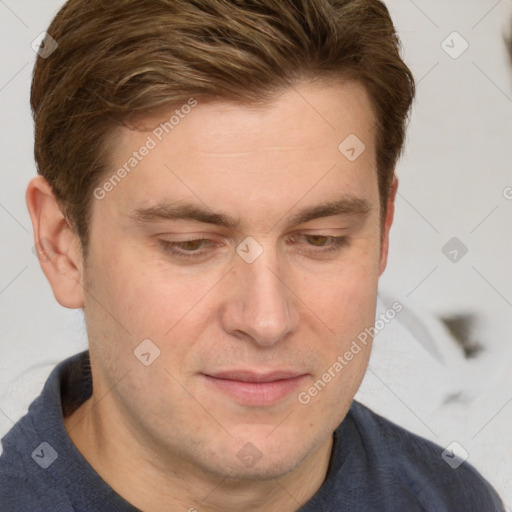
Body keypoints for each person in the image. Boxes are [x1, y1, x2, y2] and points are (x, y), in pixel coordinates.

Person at [0, 0, 505, 510]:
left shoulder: (453, 500)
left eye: (320, 238)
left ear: (383, 232)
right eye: (191, 245)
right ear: (62, 245)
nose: (267, 320)